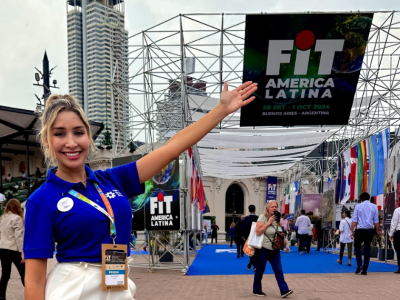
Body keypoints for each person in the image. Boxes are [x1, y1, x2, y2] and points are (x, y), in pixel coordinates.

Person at [23, 82, 257, 299]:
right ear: (47, 140)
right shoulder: (41, 200)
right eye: (59, 133)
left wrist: (221, 110)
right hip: (74, 288)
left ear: (88, 135)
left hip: (115, 283)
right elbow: (34, 282)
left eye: (78, 132)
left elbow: (172, 148)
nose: (71, 142)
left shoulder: (112, 179)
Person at [253, 201, 293, 298]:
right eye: (272, 207)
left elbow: (280, 233)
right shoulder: (262, 217)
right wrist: (269, 222)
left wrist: (286, 244)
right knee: (260, 269)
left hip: (275, 249)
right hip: (263, 248)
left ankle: (284, 290)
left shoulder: (277, 217)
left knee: (278, 269)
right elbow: (258, 232)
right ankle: (257, 290)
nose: (274, 208)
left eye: (276, 207)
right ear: (267, 208)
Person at [0, 199, 25, 300]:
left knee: (5, 275)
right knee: (24, 272)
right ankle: (32, 293)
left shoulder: (2, 218)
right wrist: (22, 252)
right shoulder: (17, 218)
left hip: (3, 248)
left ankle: (1, 296)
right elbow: (19, 237)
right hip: (14, 249)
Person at [350, 192, 379, 275]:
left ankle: (359, 264)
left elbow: (354, 220)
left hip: (360, 230)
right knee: (367, 249)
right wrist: (376, 230)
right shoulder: (374, 207)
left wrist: (352, 231)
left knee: (357, 248)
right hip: (369, 230)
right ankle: (365, 269)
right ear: (369, 198)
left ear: (361, 199)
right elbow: (376, 221)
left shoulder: (358, 206)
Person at [243, 204, 258, 271]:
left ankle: (251, 264)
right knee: (255, 251)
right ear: (255, 210)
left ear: (249, 210)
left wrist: (243, 236)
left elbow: (244, 228)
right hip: (256, 236)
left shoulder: (246, 218)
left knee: (250, 251)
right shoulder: (258, 218)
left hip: (248, 236)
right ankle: (253, 264)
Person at [389, 206, 400, 273]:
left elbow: (394, 223)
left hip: (399, 232)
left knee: (399, 251)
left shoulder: (397, 210)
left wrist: (391, 234)